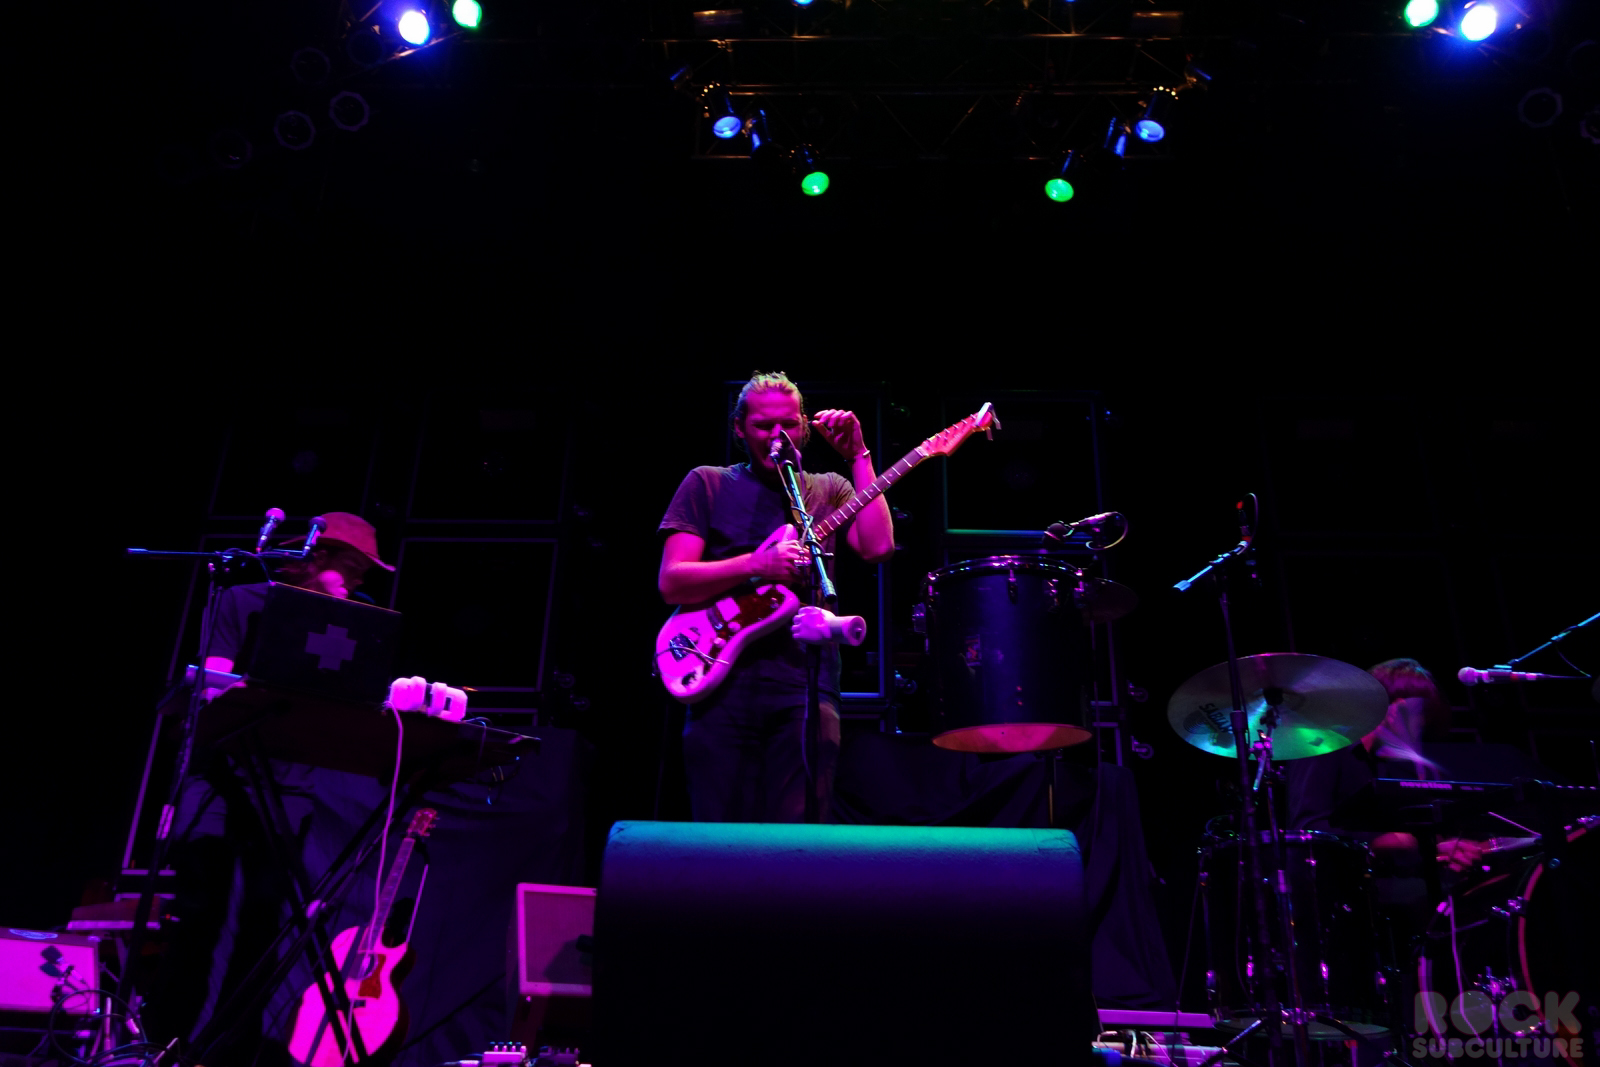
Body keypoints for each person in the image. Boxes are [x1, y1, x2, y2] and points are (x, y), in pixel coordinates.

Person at [152, 512, 395, 1062]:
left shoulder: (353, 622)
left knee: (263, 923)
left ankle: (232, 1052)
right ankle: (165, 1043)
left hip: (290, 787)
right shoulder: (243, 601)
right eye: (353, 567)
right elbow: (212, 682)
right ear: (316, 556)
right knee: (199, 914)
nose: (360, 580)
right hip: (221, 778)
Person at [658, 372, 894, 823]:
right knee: (719, 834)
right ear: (739, 429)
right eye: (763, 425)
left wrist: (859, 456)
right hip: (720, 683)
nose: (777, 435)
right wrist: (757, 565)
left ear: (804, 426)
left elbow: (878, 546)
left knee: (800, 837)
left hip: (807, 686)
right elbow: (672, 581)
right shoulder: (708, 483)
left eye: (788, 424)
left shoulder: (829, 488)